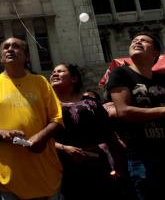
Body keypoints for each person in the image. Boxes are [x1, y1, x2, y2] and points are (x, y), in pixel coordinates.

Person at [0, 36, 63, 200]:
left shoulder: (41, 82)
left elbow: (57, 119)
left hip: (45, 173)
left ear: (27, 56)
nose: (9, 49)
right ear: (1, 58)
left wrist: (41, 137)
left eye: (15, 46)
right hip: (10, 178)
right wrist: (3, 133)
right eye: (5, 47)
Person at [106, 31, 165, 200]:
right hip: (142, 156)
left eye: (144, 41)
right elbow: (123, 111)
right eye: (134, 40)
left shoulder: (164, 80)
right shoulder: (121, 73)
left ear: (156, 52)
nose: (137, 42)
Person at [50, 63, 118, 200]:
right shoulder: (47, 106)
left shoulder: (91, 103)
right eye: (53, 72)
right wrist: (64, 148)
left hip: (97, 164)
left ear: (74, 79)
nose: (54, 74)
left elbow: (109, 134)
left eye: (60, 71)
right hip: (64, 168)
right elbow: (40, 137)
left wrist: (117, 164)